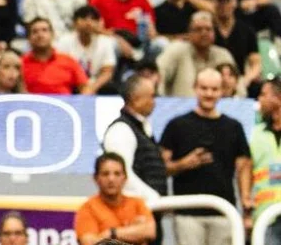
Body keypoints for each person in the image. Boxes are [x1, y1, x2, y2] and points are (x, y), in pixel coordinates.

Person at [158, 68, 251, 245]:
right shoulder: (176, 125)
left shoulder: (234, 127)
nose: (209, 94)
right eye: (204, 88)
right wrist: (183, 164)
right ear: (195, 88)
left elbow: (243, 168)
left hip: (224, 212)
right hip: (187, 213)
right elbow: (160, 168)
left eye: (214, 89)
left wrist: (246, 203)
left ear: (222, 90)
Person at [102, 76, 167, 207]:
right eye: (151, 96)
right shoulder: (121, 130)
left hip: (147, 209)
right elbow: (123, 175)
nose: (154, 102)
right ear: (135, 98)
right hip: (134, 211)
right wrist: (154, 198)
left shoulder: (142, 129)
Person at [74, 153, 157, 245]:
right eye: (105, 174)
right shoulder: (88, 208)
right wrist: (132, 232)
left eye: (117, 174)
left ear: (125, 178)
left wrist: (111, 233)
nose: (111, 179)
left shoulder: (137, 203)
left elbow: (150, 231)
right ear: (96, 178)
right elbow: (89, 242)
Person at [156, 12, 234, 97]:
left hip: (217, 104)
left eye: (208, 29)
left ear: (214, 33)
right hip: (180, 104)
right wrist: (160, 100)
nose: (204, 33)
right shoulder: (176, 50)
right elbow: (158, 74)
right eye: (198, 29)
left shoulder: (223, 55)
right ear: (189, 33)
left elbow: (238, 87)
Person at [56, 6, 118, 96]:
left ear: (99, 23)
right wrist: (82, 87)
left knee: (112, 89)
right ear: (74, 23)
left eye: (93, 19)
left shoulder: (106, 41)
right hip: (72, 83)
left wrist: (92, 88)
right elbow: (60, 68)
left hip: (96, 83)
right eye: (84, 18)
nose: (88, 22)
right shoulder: (64, 41)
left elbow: (107, 72)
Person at [21, 18, 90, 94]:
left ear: (52, 35)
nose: (40, 35)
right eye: (35, 32)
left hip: (63, 101)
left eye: (44, 30)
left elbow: (85, 88)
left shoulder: (68, 61)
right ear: (28, 38)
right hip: (31, 101)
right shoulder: (21, 63)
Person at [251, 78, 281, 245]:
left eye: (263, 95)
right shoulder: (255, 134)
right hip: (265, 218)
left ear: (278, 98)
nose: (259, 100)